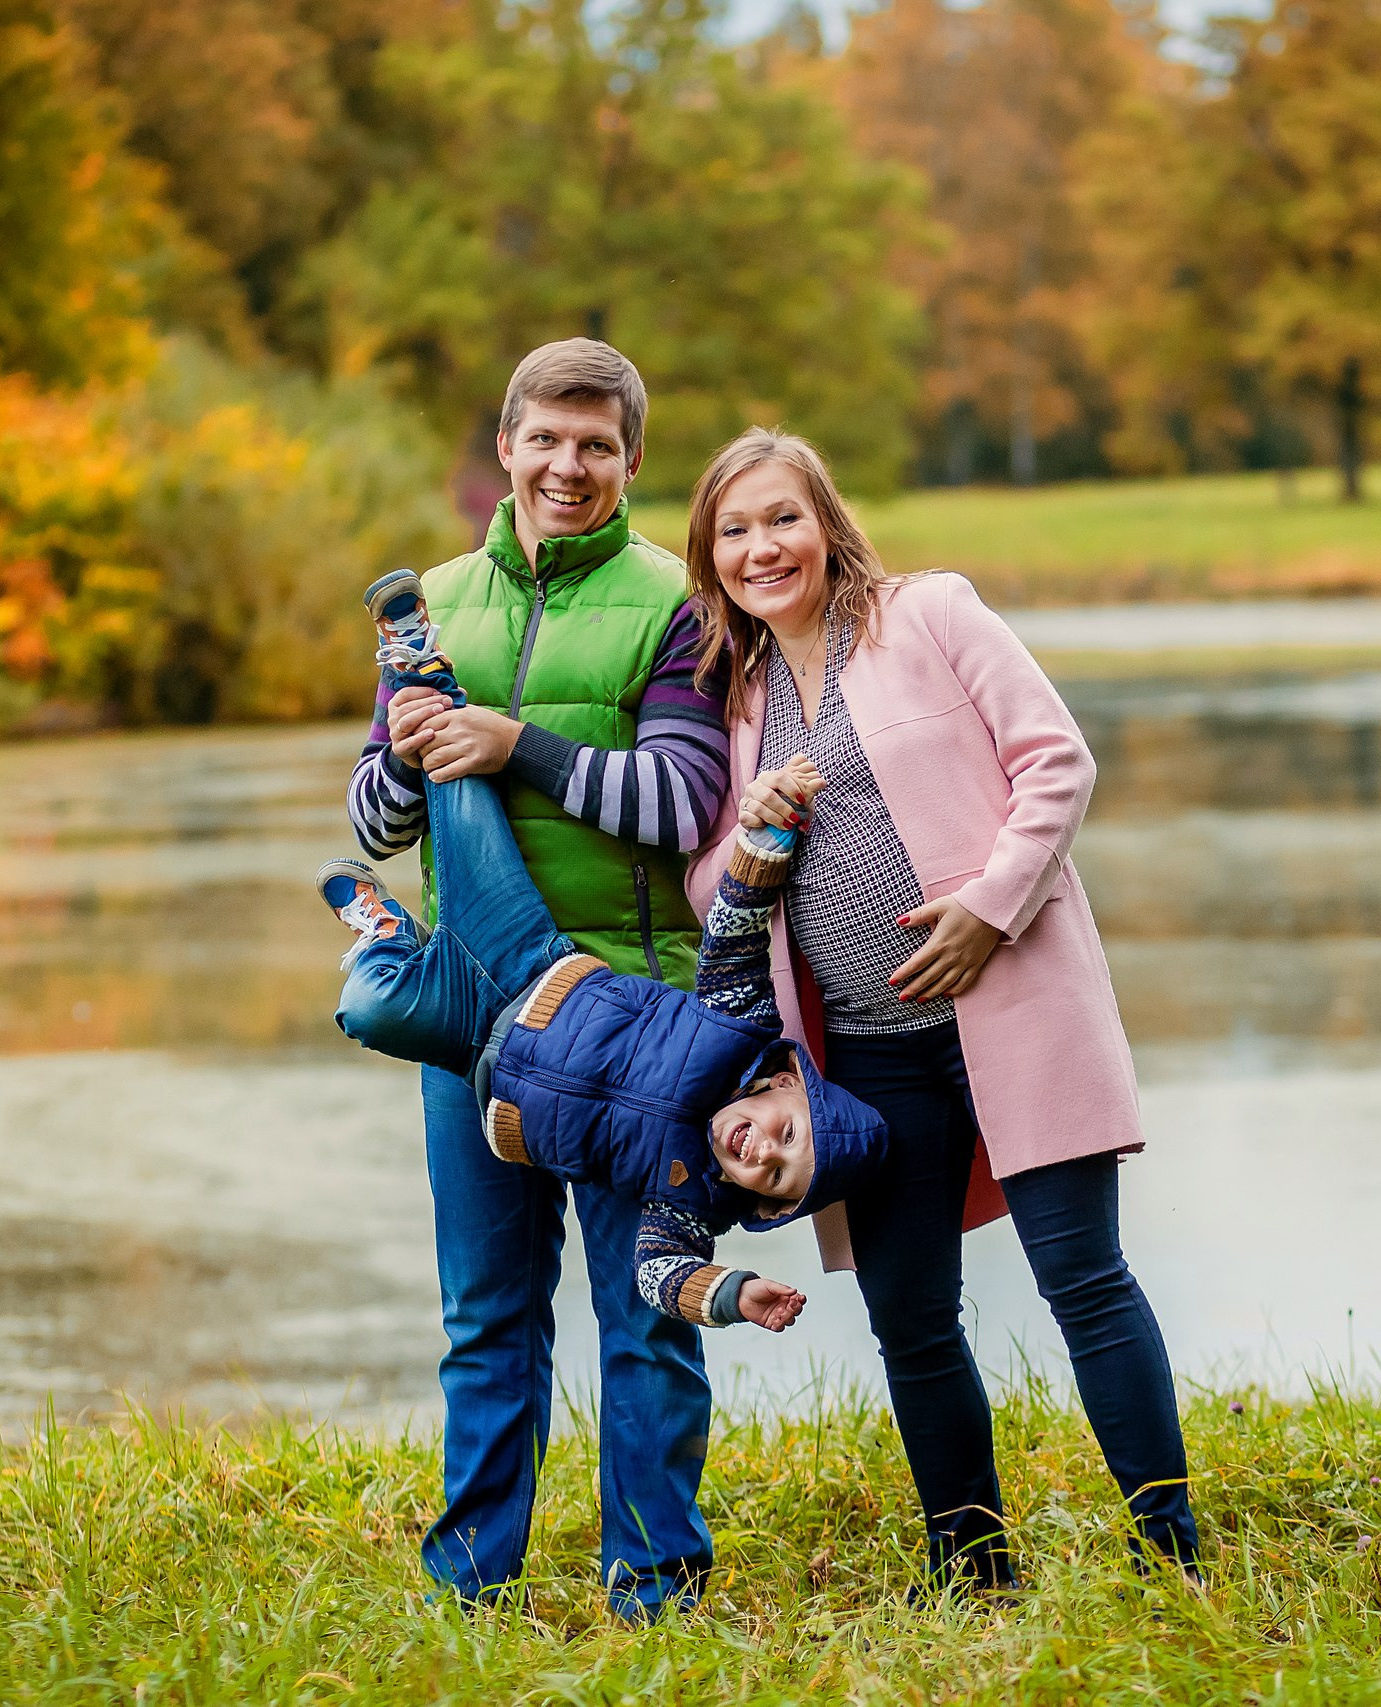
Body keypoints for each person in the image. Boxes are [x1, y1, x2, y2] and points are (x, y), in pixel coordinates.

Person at [681, 426, 1202, 1593]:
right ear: (709, 557)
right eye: (735, 529)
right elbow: (708, 888)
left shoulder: (929, 615)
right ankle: (973, 1571)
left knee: (1086, 1282)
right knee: (909, 1319)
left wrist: (990, 909)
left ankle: (1170, 1555)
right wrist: (750, 832)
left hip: (1014, 1011)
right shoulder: (737, 696)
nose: (763, 547)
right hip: (864, 1064)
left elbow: (1055, 763)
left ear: (827, 523)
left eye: (782, 518)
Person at [341, 339, 732, 1619]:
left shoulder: (680, 602)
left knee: (647, 1317)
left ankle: (655, 1590)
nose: (569, 467)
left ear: (630, 463)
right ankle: (470, 1590)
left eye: (597, 447)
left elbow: (680, 803)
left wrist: (514, 744)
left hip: (637, 1018)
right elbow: (373, 823)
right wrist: (407, 756)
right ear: (503, 447)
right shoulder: (434, 603)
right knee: (487, 1318)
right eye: (546, 441)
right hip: (479, 1024)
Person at [322, 615, 884, 1337]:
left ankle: (388, 933)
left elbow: (658, 1272)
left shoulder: (692, 1199)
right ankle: (423, 669)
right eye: (785, 1134)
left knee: (368, 1006)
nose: (761, 1149)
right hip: (533, 961)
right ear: (784, 1086)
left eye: (772, 1175)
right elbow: (737, 929)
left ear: (761, 1204)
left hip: (476, 1048)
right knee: (458, 774)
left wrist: (729, 1291)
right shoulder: (740, 1028)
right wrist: (769, 838)